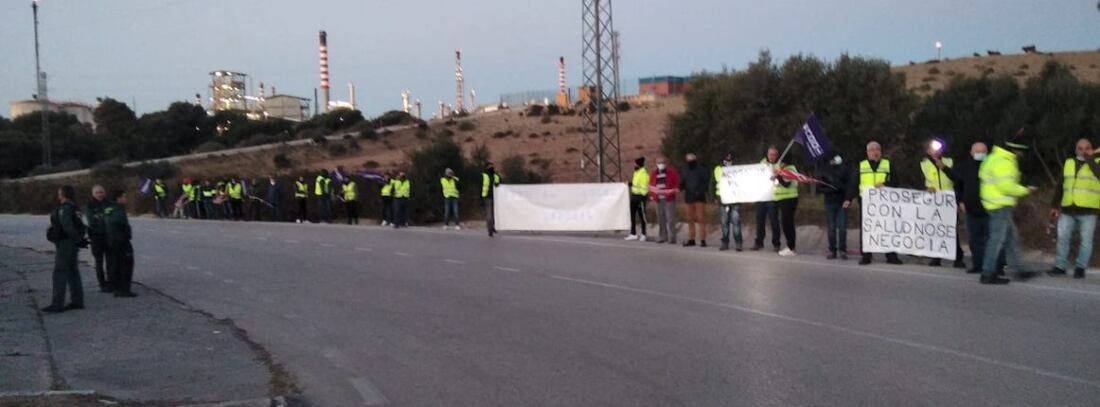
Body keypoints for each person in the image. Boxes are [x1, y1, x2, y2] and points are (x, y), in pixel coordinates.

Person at [979, 138, 1039, 284]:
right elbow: (1007, 187)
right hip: (1000, 205)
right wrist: (1026, 190)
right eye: (1021, 152)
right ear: (1016, 151)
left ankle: (1020, 270)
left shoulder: (993, 158)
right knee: (997, 240)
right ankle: (987, 273)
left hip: (994, 204)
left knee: (1011, 239)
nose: (1021, 155)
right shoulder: (1005, 162)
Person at [844, 141, 904, 265]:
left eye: (877, 149)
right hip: (867, 203)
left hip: (885, 203)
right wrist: (848, 199)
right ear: (867, 152)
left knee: (888, 228)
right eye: (872, 150)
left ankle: (891, 255)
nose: (875, 152)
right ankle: (866, 255)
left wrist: (885, 184)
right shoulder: (862, 166)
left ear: (881, 151)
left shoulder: (887, 165)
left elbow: (896, 181)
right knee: (866, 229)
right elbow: (854, 184)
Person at [1048, 138, 1100, 279]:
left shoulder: (1097, 162)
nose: (1083, 151)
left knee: (1086, 241)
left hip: (1088, 210)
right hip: (1067, 208)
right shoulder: (1069, 163)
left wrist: (1090, 159)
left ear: (1091, 149)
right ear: (1076, 150)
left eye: (1087, 148)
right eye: (1080, 148)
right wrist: (1054, 205)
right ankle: (1060, 266)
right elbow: (1060, 185)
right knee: (1063, 238)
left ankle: (1080, 268)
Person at [953, 142, 1005, 274]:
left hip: (990, 210)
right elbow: (958, 185)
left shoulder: (994, 167)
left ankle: (997, 268)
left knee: (993, 240)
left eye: (982, 151)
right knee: (974, 240)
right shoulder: (966, 168)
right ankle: (978, 265)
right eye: (977, 151)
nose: (980, 154)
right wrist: (960, 201)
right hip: (971, 211)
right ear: (971, 152)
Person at [921, 141, 966, 268]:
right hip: (932, 202)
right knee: (936, 230)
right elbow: (920, 182)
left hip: (948, 201)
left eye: (939, 148)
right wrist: (927, 188)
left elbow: (957, 180)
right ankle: (936, 257)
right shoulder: (923, 165)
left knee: (951, 230)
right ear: (928, 151)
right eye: (933, 149)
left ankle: (958, 257)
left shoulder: (949, 162)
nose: (936, 151)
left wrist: (958, 200)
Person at [42, 185, 85, 313]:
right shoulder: (75, 208)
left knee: (60, 273)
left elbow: (67, 226)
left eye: (59, 193)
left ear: (63, 194)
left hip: (65, 244)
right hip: (73, 244)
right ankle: (77, 301)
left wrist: (76, 238)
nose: (58, 195)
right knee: (73, 272)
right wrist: (79, 239)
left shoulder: (65, 208)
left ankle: (57, 303)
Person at [104, 190, 136, 298]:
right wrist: (126, 235)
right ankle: (124, 289)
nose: (125, 199)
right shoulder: (119, 210)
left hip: (112, 240)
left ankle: (117, 287)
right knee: (126, 264)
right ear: (118, 198)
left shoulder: (109, 208)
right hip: (121, 241)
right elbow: (121, 225)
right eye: (124, 197)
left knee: (116, 264)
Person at [819, 153, 850, 259]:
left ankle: (843, 250)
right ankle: (832, 250)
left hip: (842, 202)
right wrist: (830, 189)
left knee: (842, 228)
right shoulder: (825, 170)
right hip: (829, 202)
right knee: (831, 228)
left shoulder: (844, 169)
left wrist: (846, 196)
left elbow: (849, 185)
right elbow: (820, 187)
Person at [752, 147, 782, 252]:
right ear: (767, 154)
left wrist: (777, 176)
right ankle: (759, 243)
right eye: (770, 154)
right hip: (761, 196)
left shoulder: (780, 166)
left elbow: (782, 182)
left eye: (774, 154)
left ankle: (776, 244)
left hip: (773, 197)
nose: (772, 156)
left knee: (774, 221)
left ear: (777, 156)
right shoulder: (762, 164)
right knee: (760, 221)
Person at [772, 153, 801, 257]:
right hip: (784, 199)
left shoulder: (790, 169)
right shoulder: (784, 168)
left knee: (788, 224)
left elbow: (787, 184)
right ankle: (790, 246)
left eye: (782, 161)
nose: (781, 163)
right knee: (786, 223)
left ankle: (791, 247)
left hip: (789, 199)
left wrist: (778, 176)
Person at [85, 185, 111, 292]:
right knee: (99, 262)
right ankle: (102, 284)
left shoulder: (109, 203)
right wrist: (104, 217)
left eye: (101, 192)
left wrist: (101, 217)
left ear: (104, 193)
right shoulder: (89, 205)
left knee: (111, 261)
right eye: (97, 193)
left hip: (109, 236)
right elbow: (92, 221)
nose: (99, 194)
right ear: (93, 194)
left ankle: (112, 282)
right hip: (96, 237)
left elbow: (112, 217)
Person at [679, 153, 709, 247]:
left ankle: (703, 239)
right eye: (688, 159)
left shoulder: (702, 170)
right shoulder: (685, 171)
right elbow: (682, 182)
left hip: (699, 197)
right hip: (689, 197)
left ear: (695, 159)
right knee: (690, 219)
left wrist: (700, 191)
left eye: (691, 159)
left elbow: (705, 182)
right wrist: (680, 188)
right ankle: (691, 239)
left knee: (701, 218)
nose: (690, 161)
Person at [714, 153, 742, 251]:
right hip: (723, 200)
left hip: (735, 200)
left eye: (730, 158)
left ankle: (738, 243)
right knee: (724, 223)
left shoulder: (738, 169)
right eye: (727, 158)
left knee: (736, 223)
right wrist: (715, 197)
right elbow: (714, 182)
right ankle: (725, 242)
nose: (728, 159)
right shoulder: (718, 169)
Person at [650, 157, 680, 244]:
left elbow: (676, 184)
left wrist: (673, 191)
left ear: (666, 163)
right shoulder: (654, 173)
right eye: (659, 162)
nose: (661, 164)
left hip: (669, 199)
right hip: (658, 199)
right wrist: (652, 196)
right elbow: (651, 185)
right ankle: (663, 236)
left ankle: (672, 238)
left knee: (670, 219)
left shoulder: (671, 172)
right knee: (660, 219)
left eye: (662, 162)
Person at [625, 157, 650, 241]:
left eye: (635, 163)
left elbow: (644, 186)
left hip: (641, 197)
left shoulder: (644, 174)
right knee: (632, 215)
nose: (634, 165)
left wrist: (636, 188)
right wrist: (630, 184)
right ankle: (633, 233)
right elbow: (635, 183)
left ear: (639, 164)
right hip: (634, 196)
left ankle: (643, 234)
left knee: (642, 216)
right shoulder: (636, 172)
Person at [482, 163, 501, 237]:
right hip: (490, 197)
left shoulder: (484, 175)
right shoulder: (495, 176)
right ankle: (491, 229)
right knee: (491, 214)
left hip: (489, 196)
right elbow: (499, 182)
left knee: (490, 214)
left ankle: (491, 228)